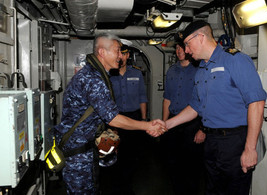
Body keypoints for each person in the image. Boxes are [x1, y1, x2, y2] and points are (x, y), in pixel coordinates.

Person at [164, 20, 267, 195]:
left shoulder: (235, 60)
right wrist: (167, 124)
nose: (186, 50)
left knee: (234, 190)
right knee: (212, 189)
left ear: (201, 37)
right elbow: (195, 107)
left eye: (188, 44)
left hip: (234, 141)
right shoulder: (202, 69)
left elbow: (256, 102)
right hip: (211, 142)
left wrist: (250, 148)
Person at [53, 33, 165, 194]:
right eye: (117, 51)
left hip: (85, 149)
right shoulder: (92, 79)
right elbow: (112, 118)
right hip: (78, 154)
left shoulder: (96, 75)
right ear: (102, 52)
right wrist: (147, 125)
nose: (120, 56)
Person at [160, 40, 206, 195]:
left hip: (192, 124)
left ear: (188, 49)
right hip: (173, 122)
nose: (179, 50)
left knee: (191, 165)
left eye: (181, 47)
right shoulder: (172, 71)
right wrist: (164, 125)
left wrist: (202, 129)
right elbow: (167, 99)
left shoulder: (199, 70)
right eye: (177, 48)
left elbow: (205, 101)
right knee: (173, 162)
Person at [107, 43, 148, 195]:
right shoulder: (110, 75)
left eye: (124, 54)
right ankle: (116, 187)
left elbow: (142, 97)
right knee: (115, 154)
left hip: (134, 117)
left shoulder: (136, 74)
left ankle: (127, 186)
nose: (121, 57)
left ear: (127, 56)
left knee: (131, 155)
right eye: (119, 54)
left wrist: (143, 120)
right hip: (115, 118)